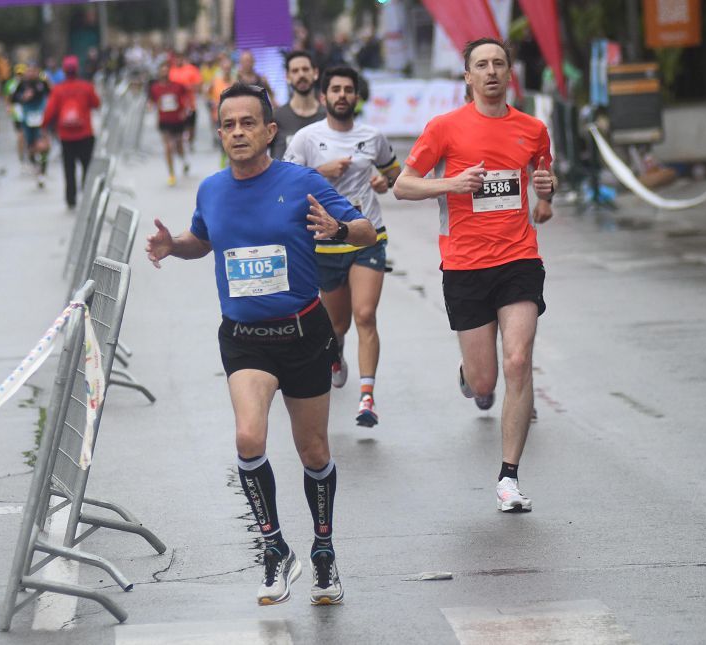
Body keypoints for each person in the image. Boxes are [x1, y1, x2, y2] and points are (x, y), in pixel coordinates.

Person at [145, 83, 375, 606]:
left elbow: (364, 230)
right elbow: (202, 239)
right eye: (228, 125)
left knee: (312, 450)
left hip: (303, 334)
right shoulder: (211, 189)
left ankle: (322, 551)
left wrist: (337, 225)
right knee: (249, 439)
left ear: (270, 131)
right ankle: (274, 548)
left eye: (248, 123)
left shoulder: (300, 182)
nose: (238, 133)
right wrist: (173, 245)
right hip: (245, 339)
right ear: (219, 131)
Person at [392, 37, 556, 512]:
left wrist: (546, 193)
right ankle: (470, 377)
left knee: (519, 361)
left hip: (519, 258)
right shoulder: (444, 128)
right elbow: (403, 185)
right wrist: (453, 183)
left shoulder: (533, 128)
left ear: (509, 74)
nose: (490, 72)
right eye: (480, 65)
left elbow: (543, 178)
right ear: (467, 76)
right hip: (464, 265)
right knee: (485, 382)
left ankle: (508, 477)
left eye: (498, 64)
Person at [284, 66, 401, 427]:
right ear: (324, 97)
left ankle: (367, 398)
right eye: (335, 89)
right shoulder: (305, 138)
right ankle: (335, 355)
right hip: (324, 243)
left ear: (357, 96)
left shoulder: (373, 137)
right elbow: (283, 186)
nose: (341, 95)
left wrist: (384, 181)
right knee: (338, 325)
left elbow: (397, 174)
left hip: (367, 236)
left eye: (348, 90)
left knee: (365, 315)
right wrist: (322, 171)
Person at [42, 55, 101, 210]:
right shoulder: (86, 86)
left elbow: (50, 111)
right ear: (77, 69)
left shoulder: (58, 89)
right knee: (87, 166)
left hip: (66, 136)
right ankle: (88, 195)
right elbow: (96, 103)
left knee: (69, 168)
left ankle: (71, 198)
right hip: (85, 134)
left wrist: (43, 125)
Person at [270, 50, 325, 163]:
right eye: (295, 71)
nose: (301, 75)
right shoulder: (275, 118)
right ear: (287, 77)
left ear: (315, 73)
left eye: (305, 69)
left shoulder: (328, 117)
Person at [147, 61, 190, 186]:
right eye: (162, 71)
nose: (164, 73)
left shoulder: (177, 86)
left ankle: (184, 160)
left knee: (178, 146)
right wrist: (152, 106)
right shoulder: (154, 88)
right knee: (168, 147)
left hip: (177, 120)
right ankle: (171, 174)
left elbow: (187, 98)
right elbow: (151, 102)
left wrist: (185, 111)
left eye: (166, 70)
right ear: (159, 72)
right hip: (164, 121)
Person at [11, 64, 52, 187]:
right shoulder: (22, 84)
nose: (31, 74)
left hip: (41, 118)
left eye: (33, 71)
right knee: (31, 146)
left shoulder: (42, 83)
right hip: (27, 118)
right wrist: (22, 97)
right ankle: (35, 166)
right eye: (29, 71)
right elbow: (13, 98)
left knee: (44, 145)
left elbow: (52, 94)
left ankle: (43, 170)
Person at [168, 52, 203, 151]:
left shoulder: (191, 69)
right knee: (177, 127)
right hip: (176, 106)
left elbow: (198, 85)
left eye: (180, 58)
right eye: (176, 58)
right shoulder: (171, 71)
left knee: (191, 126)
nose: (178, 60)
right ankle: (177, 145)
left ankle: (190, 142)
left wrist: (188, 87)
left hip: (190, 104)